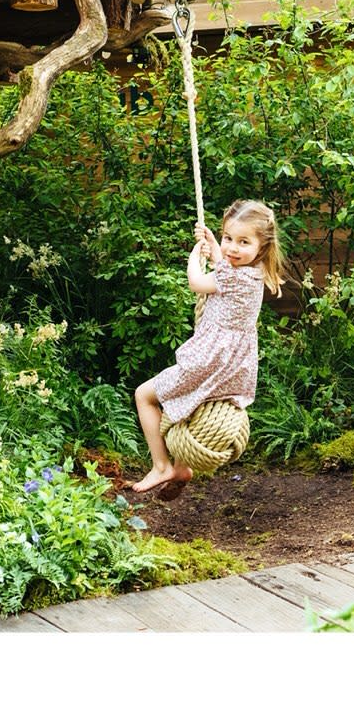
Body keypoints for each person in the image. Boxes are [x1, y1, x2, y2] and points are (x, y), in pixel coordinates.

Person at [131, 199, 286, 500]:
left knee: (144, 395)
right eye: (229, 238)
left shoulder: (232, 276)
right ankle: (181, 467)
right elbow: (227, 267)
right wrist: (215, 246)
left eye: (243, 241)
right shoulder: (253, 274)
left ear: (262, 247)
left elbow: (197, 282)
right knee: (193, 406)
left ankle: (161, 465)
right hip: (233, 365)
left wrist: (194, 255)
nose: (232, 248)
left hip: (208, 362)